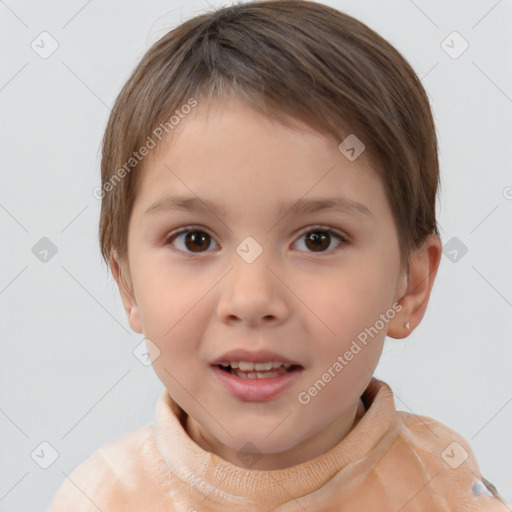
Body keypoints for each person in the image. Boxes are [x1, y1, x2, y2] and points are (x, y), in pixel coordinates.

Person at [49, 1, 511, 510]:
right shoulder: (102, 498)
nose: (251, 300)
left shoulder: (445, 490)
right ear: (128, 285)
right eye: (195, 240)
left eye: (318, 239)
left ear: (410, 286)